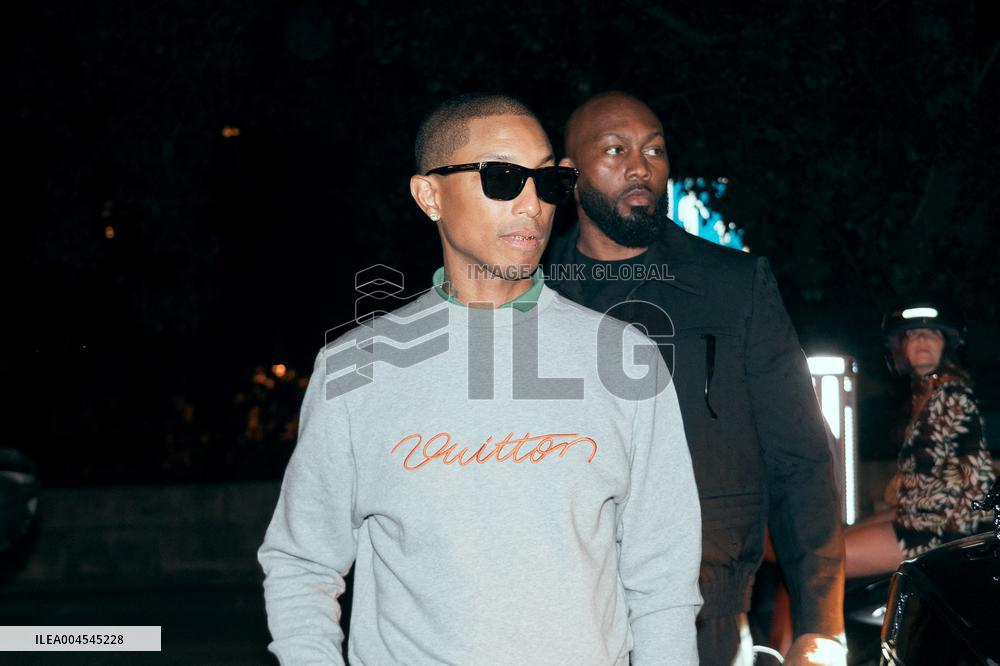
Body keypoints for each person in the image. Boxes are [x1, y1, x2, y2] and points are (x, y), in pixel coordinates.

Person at [258, 93, 703, 665]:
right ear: (429, 195)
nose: (531, 205)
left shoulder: (627, 359)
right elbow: (302, 564)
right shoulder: (358, 368)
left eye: (546, 182)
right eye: (501, 178)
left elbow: (662, 582)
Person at [545, 92, 846, 666]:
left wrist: (819, 623)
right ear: (569, 176)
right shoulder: (532, 298)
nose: (641, 165)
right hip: (563, 613)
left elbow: (799, 459)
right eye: (616, 150)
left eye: (655, 149)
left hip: (706, 611)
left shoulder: (734, 286)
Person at [844, 302, 995, 576]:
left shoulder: (952, 396)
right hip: (919, 518)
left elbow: (971, 477)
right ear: (901, 346)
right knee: (830, 537)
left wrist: (951, 540)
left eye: (932, 334)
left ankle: (821, 620)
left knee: (819, 558)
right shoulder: (924, 395)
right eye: (913, 334)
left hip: (937, 532)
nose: (922, 339)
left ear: (946, 346)